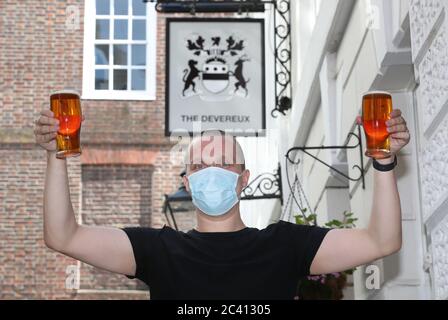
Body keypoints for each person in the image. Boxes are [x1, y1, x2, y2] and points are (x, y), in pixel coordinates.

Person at [34, 108, 410, 300]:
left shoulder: (285, 245)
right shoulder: (156, 250)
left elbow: (382, 241)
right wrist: (56, 156)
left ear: (244, 179)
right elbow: (63, 236)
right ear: (187, 183)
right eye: (199, 165)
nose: (211, 172)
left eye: (223, 163)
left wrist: (382, 160)